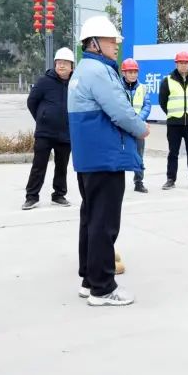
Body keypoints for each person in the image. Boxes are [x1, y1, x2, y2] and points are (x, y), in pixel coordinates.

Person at [68, 16, 149, 307]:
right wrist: (141, 128)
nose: (116, 46)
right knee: (104, 223)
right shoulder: (99, 72)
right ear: (94, 44)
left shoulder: (82, 71)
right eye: (111, 41)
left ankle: (89, 280)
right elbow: (121, 111)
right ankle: (103, 288)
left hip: (89, 158)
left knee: (91, 219)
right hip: (105, 158)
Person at [23, 47, 75, 209]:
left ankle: (59, 195)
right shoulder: (44, 81)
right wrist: (41, 118)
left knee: (62, 166)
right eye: (58, 62)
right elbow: (31, 101)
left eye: (65, 63)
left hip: (66, 133)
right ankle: (32, 196)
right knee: (39, 166)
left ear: (72, 66)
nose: (61, 66)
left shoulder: (75, 84)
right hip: (45, 133)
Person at [158, 50, 188, 190]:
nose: (183, 65)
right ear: (176, 64)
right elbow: (163, 101)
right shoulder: (168, 81)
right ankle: (170, 179)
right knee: (173, 153)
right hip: (174, 123)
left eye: (186, 63)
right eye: (181, 63)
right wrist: (173, 114)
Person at [120, 57, 151, 193]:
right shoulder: (117, 88)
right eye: (130, 72)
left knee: (139, 155)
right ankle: (117, 183)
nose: (133, 74)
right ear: (124, 73)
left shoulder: (142, 88)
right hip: (122, 127)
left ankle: (139, 182)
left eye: (135, 72)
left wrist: (138, 120)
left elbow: (147, 106)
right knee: (119, 155)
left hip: (138, 127)